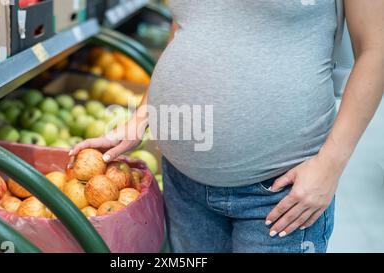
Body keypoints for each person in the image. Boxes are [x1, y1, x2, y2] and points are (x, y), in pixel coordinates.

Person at [70, 1, 384, 252]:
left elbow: (376, 48)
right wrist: (141, 117)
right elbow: (188, 27)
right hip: (183, 186)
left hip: (278, 195)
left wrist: (331, 165)